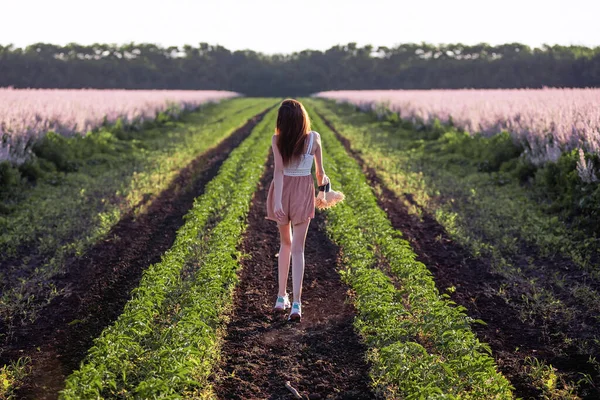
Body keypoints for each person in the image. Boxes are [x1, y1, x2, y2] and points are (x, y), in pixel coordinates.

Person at [266, 99, 329, 322]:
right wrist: (324, 191)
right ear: (303, 119)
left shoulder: (277, 140)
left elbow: (279, 172)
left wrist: (278, 203)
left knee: (285, 244)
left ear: (281, 121)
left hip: (282, 193)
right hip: (303, 192)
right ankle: (297, 304)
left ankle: (280, 297)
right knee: (298, 249)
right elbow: (321, 173)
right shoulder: (314, 139)